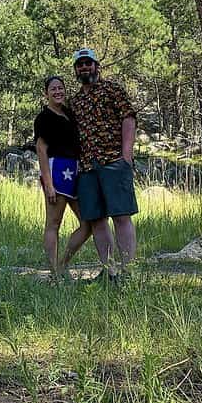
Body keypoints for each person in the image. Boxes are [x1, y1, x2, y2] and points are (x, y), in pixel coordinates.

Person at [69, 48, 138, 282]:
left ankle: (128, 271)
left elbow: (128, 119)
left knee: (121, 216)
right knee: (97, 220)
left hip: (113, 162)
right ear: (76, 70)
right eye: (80, 65)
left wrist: (126, 156)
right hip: (87, 167)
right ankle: (109, 271)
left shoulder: (113, 90)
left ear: (97, 66)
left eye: (88, 63)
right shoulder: (75, 102)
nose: (85, 67)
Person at [33, 75, 92, 278]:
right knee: (54, 223)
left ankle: (62, 264)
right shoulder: (44, 118)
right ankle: (54, 272)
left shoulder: (68, 113)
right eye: (53, 89)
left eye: (60, 88)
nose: (58, 91)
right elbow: (41, 150)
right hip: (56, 170)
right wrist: (48, 184)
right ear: (46, 93)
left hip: (74, 172)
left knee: (88, 223)